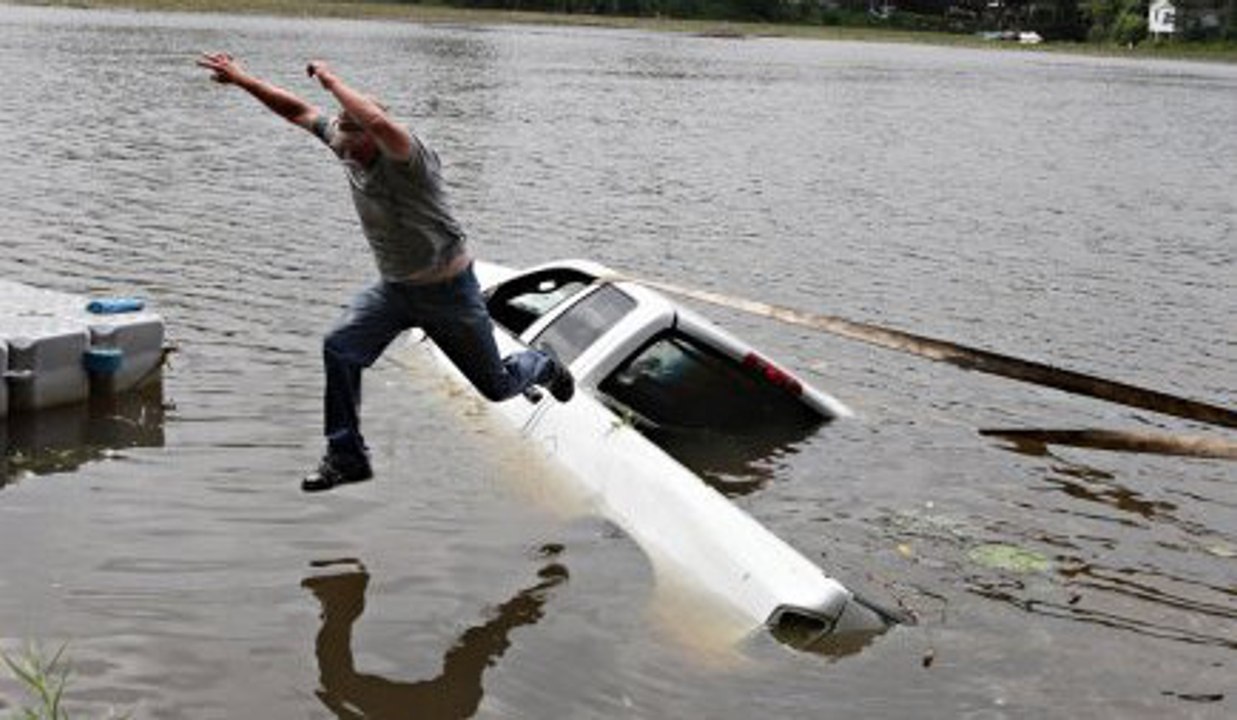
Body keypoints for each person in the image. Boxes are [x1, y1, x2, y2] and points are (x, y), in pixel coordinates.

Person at [196, 53, 573, 493]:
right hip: (395, 291)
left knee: (496, 385)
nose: (346, 154)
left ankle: (543, 365)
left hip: (450, 292)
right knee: (339, 346)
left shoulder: (407, 158)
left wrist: (332, 79)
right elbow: (296, 110)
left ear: (374, 138)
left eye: (355, 146)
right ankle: (346, 457)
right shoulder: (344, 141)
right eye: (343, 144)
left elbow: (375, 120)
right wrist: (243, 79)